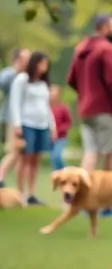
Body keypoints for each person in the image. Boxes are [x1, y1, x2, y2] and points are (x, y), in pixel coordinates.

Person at [67, 14, 112, 217]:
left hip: (86, 109)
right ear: (104, 28)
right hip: (106, 109)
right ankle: (109, 206)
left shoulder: (81, 48)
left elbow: (71, 79)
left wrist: (86, 93)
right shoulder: (106, 49)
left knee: (90, 153)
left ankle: (83, 202)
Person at [8, 52, 56, 205]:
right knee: (25, 159)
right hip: (26, 123)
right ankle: (20, 192)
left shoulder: (43, 83)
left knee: (36, 159)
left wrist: (52, 125)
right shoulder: (22, 80)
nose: (44, 67)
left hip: (41, 124)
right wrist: (17, 124)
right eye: (42, 63)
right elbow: (15, 102)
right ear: (35, 63)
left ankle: (31, 193)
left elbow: (46, 106)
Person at [0, 47, 30, 188]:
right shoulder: (10, 73)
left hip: (25, 119)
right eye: (25, 58)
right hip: (12, 118)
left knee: (21, 155)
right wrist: (16, 70)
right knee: (15, 152)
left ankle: (19, 188)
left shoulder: (27, 76)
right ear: (17, 59)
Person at [50, 84, 73, 171]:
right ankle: (57, 177)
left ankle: (67, 171)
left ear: (59, 95)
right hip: (50, 138)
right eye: (51, 92)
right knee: (53, 159)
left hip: (61, 138)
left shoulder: (63, 107)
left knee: (56, 156)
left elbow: (68, 122)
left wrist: (58, 131)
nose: (52, 94)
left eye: (54, 92)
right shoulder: (46, 108)